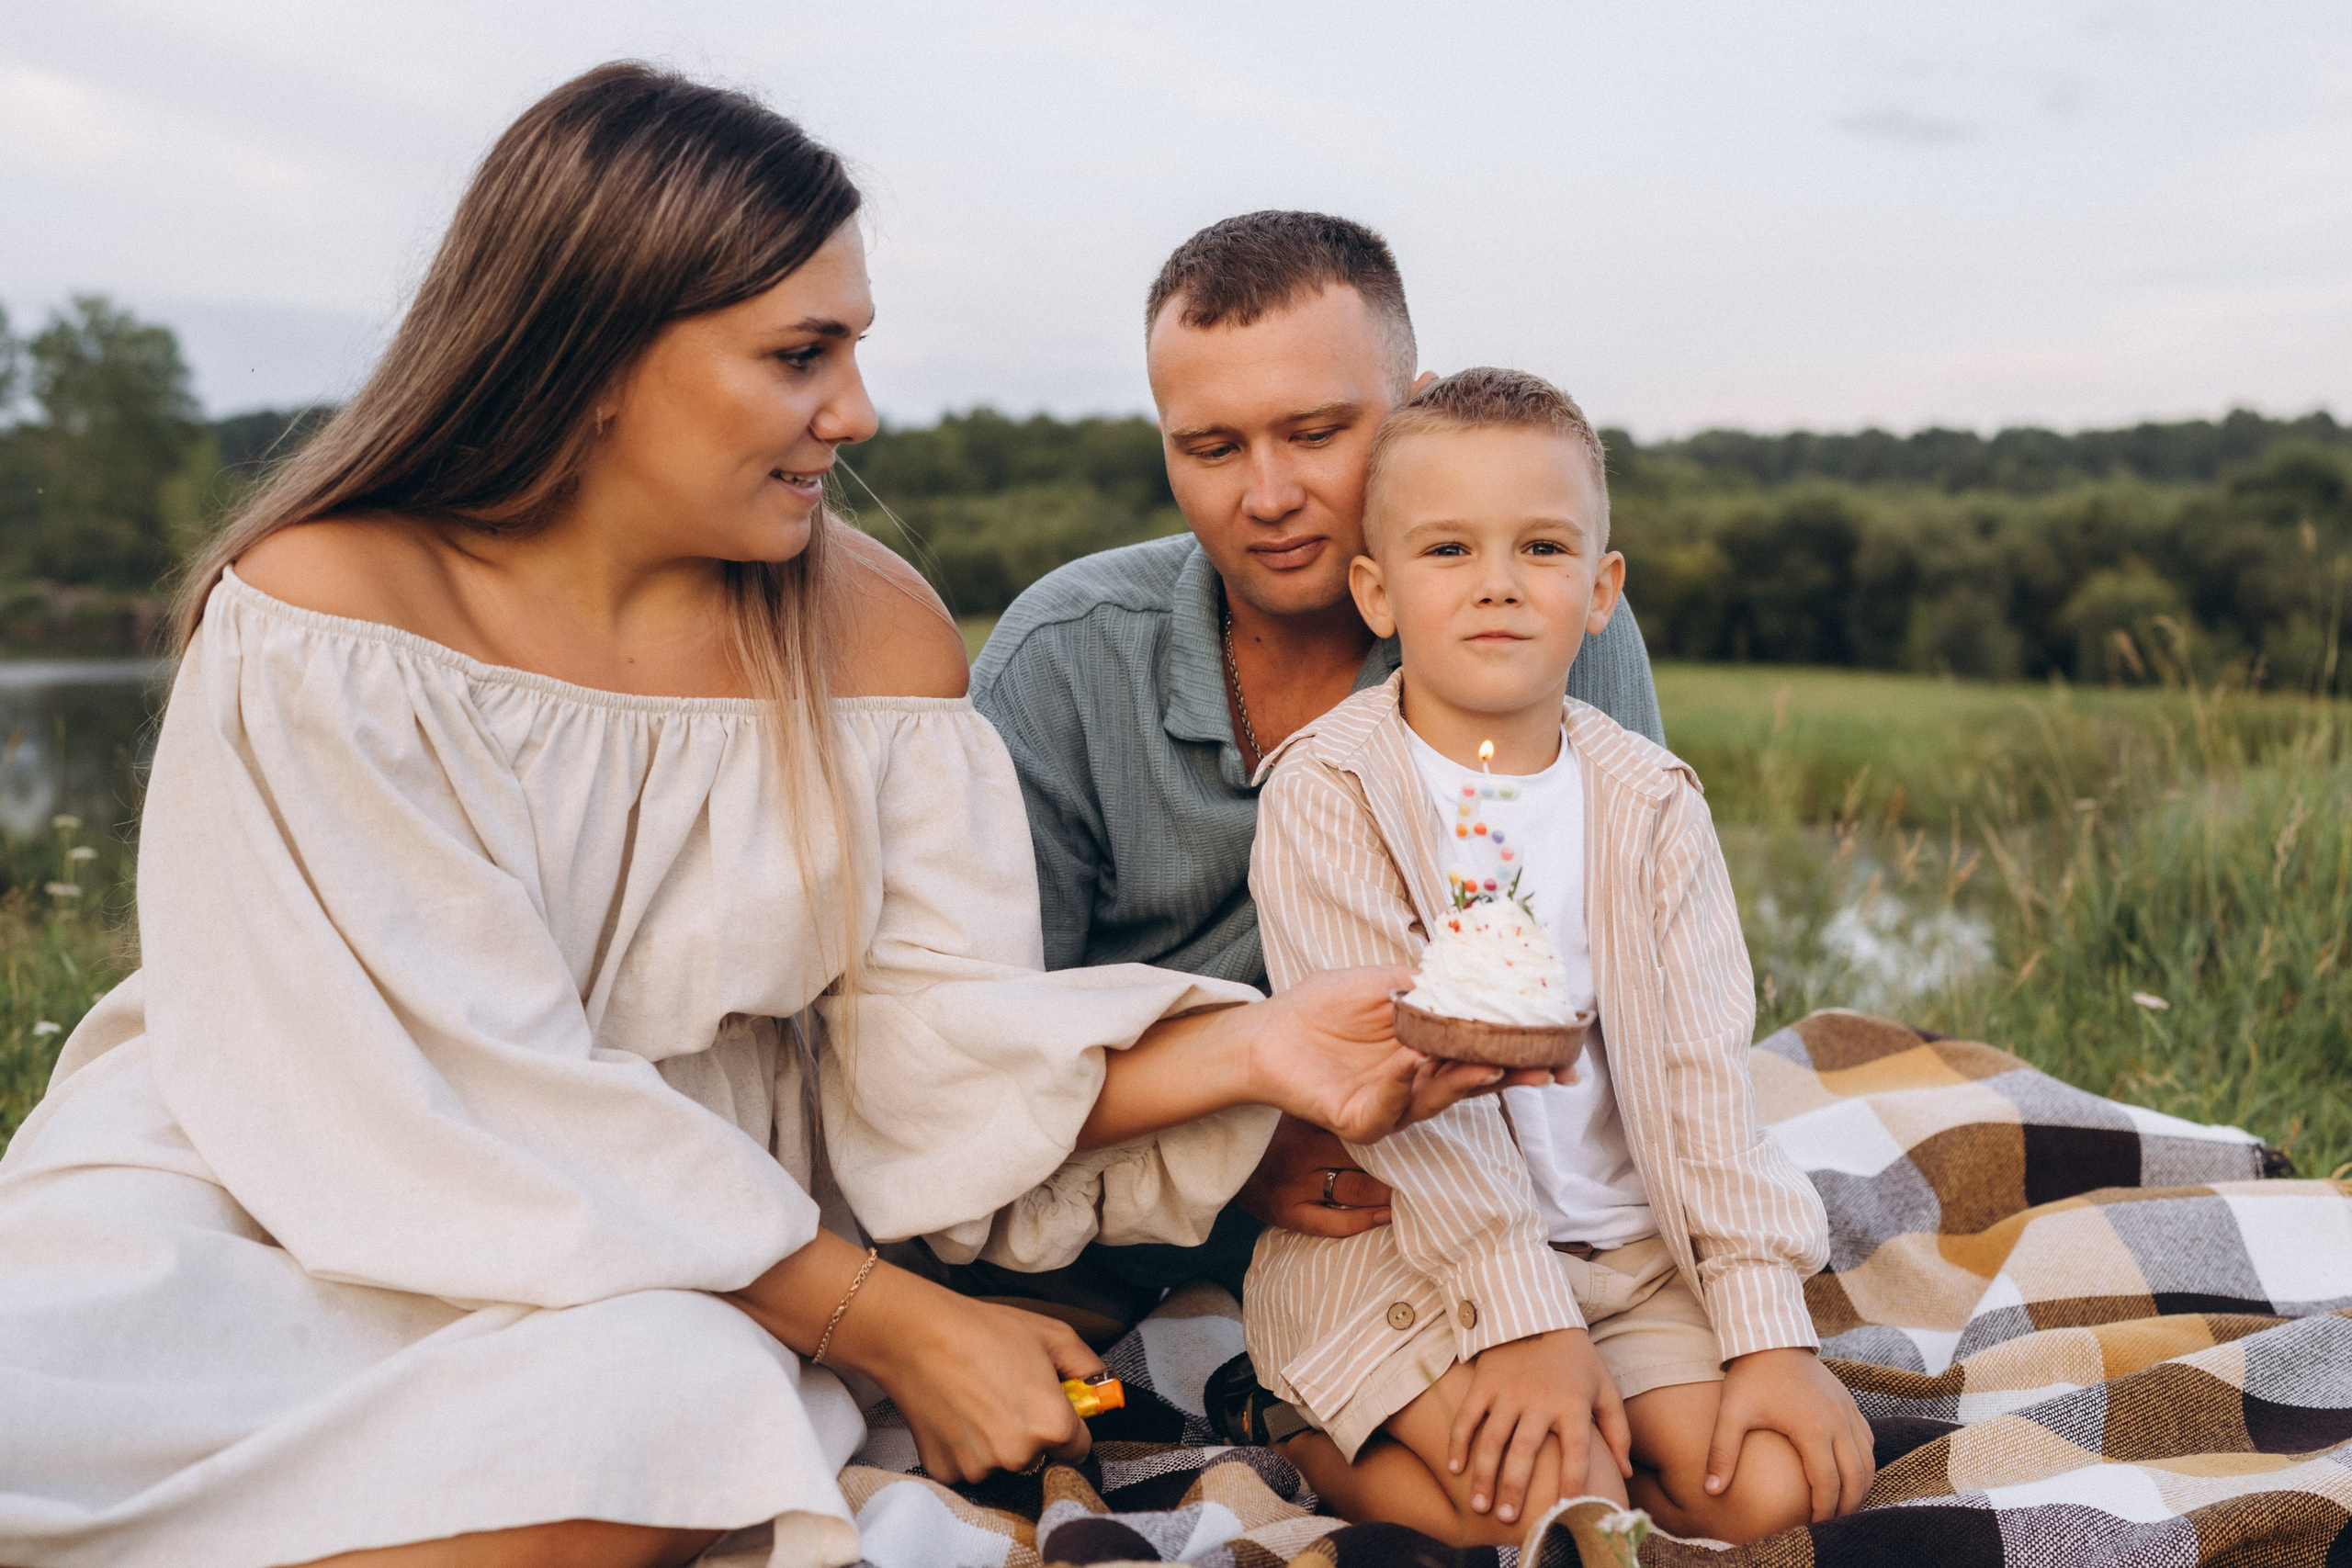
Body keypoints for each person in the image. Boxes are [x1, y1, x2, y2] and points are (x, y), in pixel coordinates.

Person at [0, 69, 1536, 1568]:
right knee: (59, 1392)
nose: (855, 412)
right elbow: (429, 1094)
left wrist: (1258, 1049)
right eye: (803, 353)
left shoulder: (875, 635)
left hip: (702, 1275)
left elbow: (922, 1052)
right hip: (288, 1184)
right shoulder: (328, 613)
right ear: (597, 350)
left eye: (855, 347)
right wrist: (888, 1318)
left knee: (679, 1407)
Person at [967, 212, 1668, 1317]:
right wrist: (1232, 1161)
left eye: (1315, 433)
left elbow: (1625, 981)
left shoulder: (1534, 627)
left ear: (1414, 415)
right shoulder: (1059, 656)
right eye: (1209, 448)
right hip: (1103, 1233)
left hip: (1467, 1220)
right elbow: (974, 1056)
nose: (1266, 496)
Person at [1240, 368, 1873, 1545]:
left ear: (1599, 590)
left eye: (1540, 547)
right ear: (1374, 591)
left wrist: (1766, 1327)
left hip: (1628, 1252)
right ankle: (1309, 1420)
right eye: (1446, 552)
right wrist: (1525, 1327)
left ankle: (1593, 1406)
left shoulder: (1647, 804)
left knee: (1774, 1486)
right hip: (1411, 1252)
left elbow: (1698, 1079)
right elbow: (1411, 1103)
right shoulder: (1331, 793)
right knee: (1551, 1502)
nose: (1495, 584)